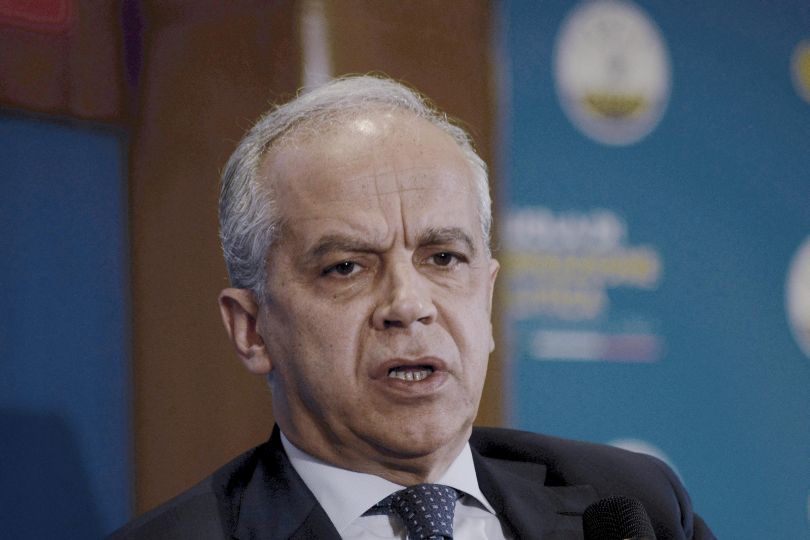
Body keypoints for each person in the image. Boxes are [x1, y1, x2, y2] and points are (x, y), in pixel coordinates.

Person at [110, 75, 714, 539]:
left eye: (443, 258)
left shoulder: (631, 506)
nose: (408, 304)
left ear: (487, 295)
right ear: (252, 330)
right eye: (346, 267)